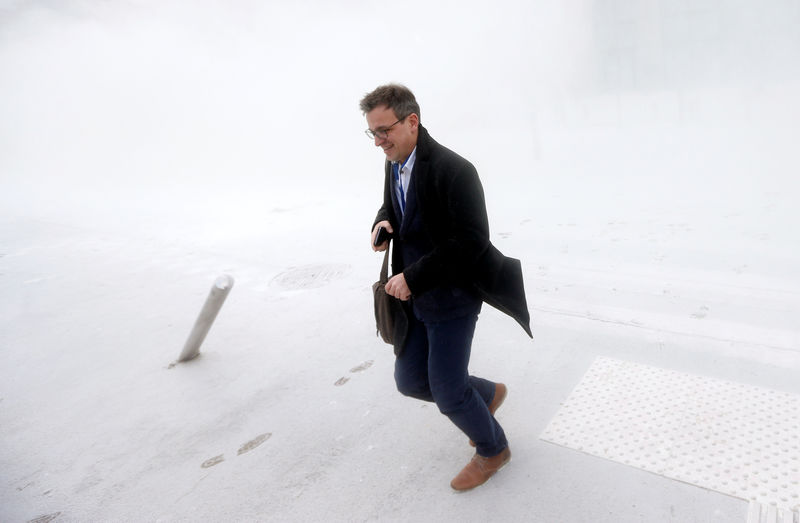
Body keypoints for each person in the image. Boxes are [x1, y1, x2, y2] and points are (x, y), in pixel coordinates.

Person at [360, 84, 532, 491]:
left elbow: (471, 240)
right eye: (372, 133)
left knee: (449, 389)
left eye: (384, 130)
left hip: (454, 294)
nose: (378, 141)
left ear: (412, 122)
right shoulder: (395, 161)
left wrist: (413, 276)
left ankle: (494, 449)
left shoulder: (456, 170)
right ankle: (487, 395)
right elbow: (393, 204)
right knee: (411, 381)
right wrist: (383, 223)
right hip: (413, 296)